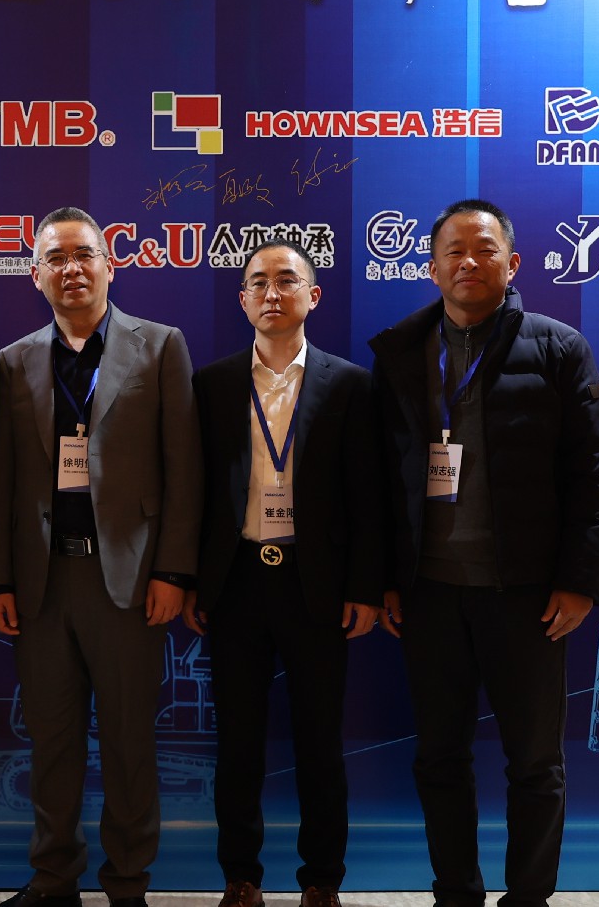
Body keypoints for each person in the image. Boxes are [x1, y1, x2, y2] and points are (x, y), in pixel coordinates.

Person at [367, 199, 599, 907]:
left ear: (513, 263)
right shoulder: (399, 352)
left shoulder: (559, 347)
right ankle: (456, 893)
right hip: (430, 593)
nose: (468, 262)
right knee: (439, 759)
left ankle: (529, 897)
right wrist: (385, 579)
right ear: (431, 267)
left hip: (528, 596)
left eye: (485, 250)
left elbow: (595, 474)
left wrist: (580, 580)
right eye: (453, 250)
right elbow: (379, 479)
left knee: (534, 763)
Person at [0, 206, 203, 907]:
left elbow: (184, 469)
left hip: (131, 581)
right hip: (44, 581)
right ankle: (54, 878)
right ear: (35, 275)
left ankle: (127, 881)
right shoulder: (16, 359)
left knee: (130, 741)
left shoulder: (159, 346)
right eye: (56, 258)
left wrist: (173, 572)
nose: (71, 269)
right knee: (52, 740)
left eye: (84, 255)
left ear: (111, 265)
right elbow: (4, 477)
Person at [184, 239, 383, 907]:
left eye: (287, 280)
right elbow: (195, 492)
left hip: (315, 583)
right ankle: (240, 877)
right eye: (258, 282)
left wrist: (363, 588)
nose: (272, 293)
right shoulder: (211, 384)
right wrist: (194, 580)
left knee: (320, 742)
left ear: (312, 296)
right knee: (237, 743)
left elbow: (368, 498)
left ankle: (322, 880)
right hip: (236, 581)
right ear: (242, 299)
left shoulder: (350, 384)